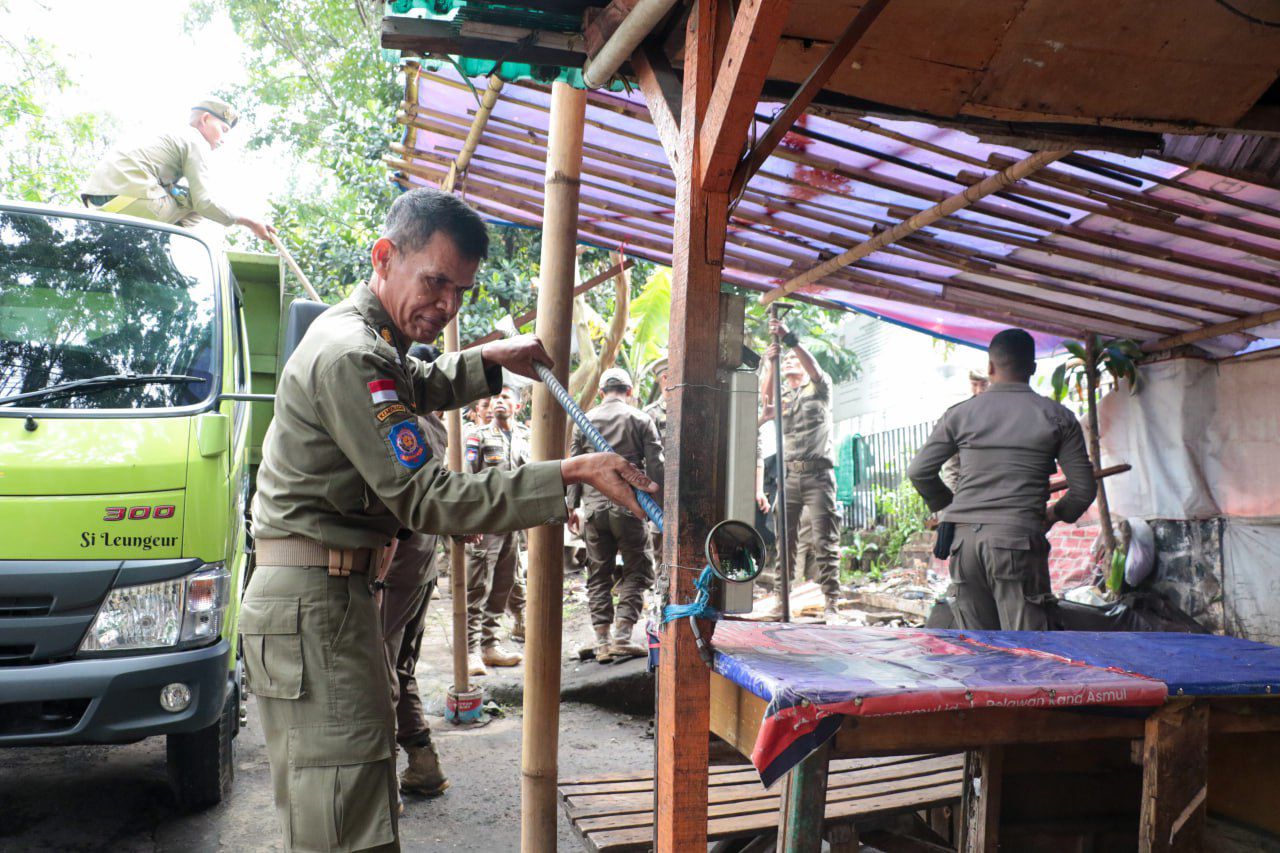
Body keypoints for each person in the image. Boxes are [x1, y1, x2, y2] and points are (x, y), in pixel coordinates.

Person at [242, 188, 656, 853]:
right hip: (316, 605)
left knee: (344, 804)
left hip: (324, 599)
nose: (447, 305)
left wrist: (489, 361)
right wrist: (570, 473)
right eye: (435, 282)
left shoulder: (366, 338)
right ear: (384, 256)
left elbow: (413, 382)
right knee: (346, 824)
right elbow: (429, 499)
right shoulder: (354, 354)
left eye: (460, 291)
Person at [907, 328, 1096, 631]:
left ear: (990, 367)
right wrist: (1054, 514)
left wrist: (950, 508)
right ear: (1032, 368)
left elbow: (919, 472)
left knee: (980, 648)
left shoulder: (960, 415)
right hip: (1018, 542)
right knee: (1027, 649)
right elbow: (1084, 490)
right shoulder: (1058, 417)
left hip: (964, 546)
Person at [568, 367, 664, 663]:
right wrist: (659, 506)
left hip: (594, 510)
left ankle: (602, 642)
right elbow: (656, 465)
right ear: (630, 391)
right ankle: (622, 637)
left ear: (601, 392)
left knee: (598, 573)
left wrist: (571, 506)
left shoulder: (584, 420)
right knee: (638, 570)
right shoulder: (641, 418)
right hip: (630, 507)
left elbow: (574, 465)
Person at [80, 97, 274, 239]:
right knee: (197, 204)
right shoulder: (196, 140)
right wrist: (251, 222)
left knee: (181, 193)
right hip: (125, 200)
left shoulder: (171, 133)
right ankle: (161, 243)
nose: (223, 140)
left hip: (97, 202)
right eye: (223, 130)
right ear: (205, 119)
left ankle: (154, 239)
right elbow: (204, 203)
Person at [758, 319, 842, 617]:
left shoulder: (819, 387)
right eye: (787, 359)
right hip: (790, 476)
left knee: (825, 541)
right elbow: (765, 405)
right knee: (785, 543)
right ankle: (782, 602)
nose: (791, 361)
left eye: (795, 359)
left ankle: (832, 603)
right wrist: (771, 365)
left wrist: (789, 340)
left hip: (819, 476)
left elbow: (815, 368)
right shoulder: (782, 397)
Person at [463, 383, 530, 674]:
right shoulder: (477, 436)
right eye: (495, 398)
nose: (498, 402)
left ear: (517, 406)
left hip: (512, 525)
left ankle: (490, 645)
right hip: (486, 525)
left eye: (505, 398)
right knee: (476, 589)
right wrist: (470, 521)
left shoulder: (525, 438)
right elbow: (466, 479)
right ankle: (469, 651)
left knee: (503, 587)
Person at [940, 369, 990, 493]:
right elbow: (951, 467)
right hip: (970, 492)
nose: (979, 390)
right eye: (974, 384)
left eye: (983, 384)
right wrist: (950, 500)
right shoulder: (960, 416)